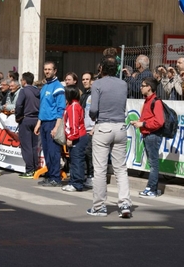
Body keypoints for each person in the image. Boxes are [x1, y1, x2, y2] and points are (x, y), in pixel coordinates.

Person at [87, 56, 132, 218]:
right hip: (120, 126)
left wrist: (94, 117)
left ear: (102, 69)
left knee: (100, 169)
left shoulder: (97, 84)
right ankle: (125, 203)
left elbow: (93, 109)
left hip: (103, 126)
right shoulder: (123, 84)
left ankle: (99, 206)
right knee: (121, 168)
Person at [130, 77, 165, 198]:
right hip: (148, 135)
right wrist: (139, 122)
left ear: (149, 87)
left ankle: (152, 189)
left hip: (153, 136)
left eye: (143, 85)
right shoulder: (147, 101)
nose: (141, 87)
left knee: (153, 164)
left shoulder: (156, 101)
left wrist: (143, 124)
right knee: (152, 164)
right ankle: (152, 188)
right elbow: (149, 118)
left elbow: (159, 121)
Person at [34, 61, 66, 187]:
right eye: (45, 69)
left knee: (54, 151)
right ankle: (49, 175)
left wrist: (56, 127)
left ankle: (56, 177)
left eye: (49, 69)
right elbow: (42, 107)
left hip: (53, 122)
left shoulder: (58, 87)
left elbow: (60, 109)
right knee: (46, 151)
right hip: (44, 122)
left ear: (55, 71)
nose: (47, 71)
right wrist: (38, 123)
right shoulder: (45, 86)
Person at [61, 85, 87, 192]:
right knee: (73, 160)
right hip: (76, 136)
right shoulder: (72, 105)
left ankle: (77, 184)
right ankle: (72, 181)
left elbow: (74, 124)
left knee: (77, 160)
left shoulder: (74, 107)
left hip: (78, 137)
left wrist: (71, 137)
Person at [15, 72, 40, 179]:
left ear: (24, 81)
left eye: (21, 80)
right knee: (34, 146)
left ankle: (29, 169)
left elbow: (19, 104)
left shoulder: (23, 91)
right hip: (36, 120)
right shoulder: (38, 91)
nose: (21, 82)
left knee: (26, 146)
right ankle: (34, 167)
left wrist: (18, 116)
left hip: (26, 119)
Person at [79, 71, 95, 188]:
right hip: (84, 129)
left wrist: (94, 127)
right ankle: (86, 175)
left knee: (90, 153)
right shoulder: (84, 95)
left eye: (87, 79)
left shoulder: (95, 95)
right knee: (84, 153)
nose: (85, 81)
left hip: (92, 129)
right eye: (83, 79)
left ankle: (91, 176)